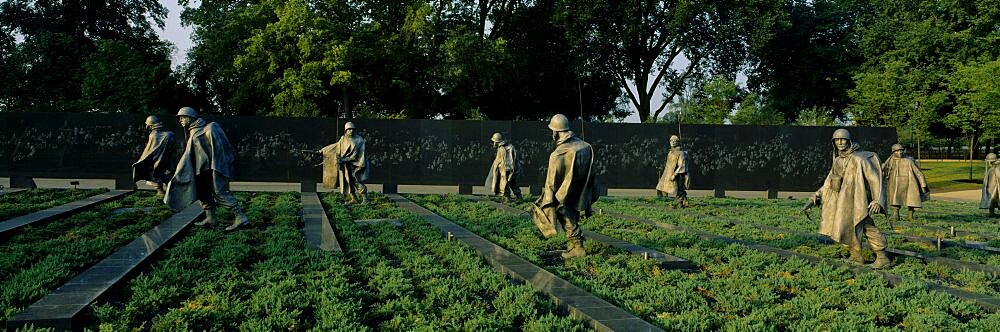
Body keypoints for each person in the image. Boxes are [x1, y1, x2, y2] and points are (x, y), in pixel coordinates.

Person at [810, 128, 891, 268]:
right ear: (833, 142)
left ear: (848, 140)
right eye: (837, 140)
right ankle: (856, 255)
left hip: (859, 201)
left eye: (843, 139)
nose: (840, 142)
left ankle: (882, 257)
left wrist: (877, 200)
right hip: (843, 202)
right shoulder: (837, 161)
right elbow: (829, 181)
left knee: (866, 226)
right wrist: (816, 195)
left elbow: (875, 179)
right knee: (847, 228)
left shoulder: (859, 159)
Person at [164, 107, 250, 231]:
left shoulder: (209, 128)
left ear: (191, 117)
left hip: (214, 168)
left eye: (182, 117)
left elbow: (221, 149)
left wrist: (219, 168)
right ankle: (211, 218)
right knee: (202, 192)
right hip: (201, 170)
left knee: (220, 193)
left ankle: (240, 217)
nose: (180, 120)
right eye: (179, 118)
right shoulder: (193, 132)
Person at [531, 114, 598, 259]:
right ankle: (573, 245)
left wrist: (546, 201)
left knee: (561, 210)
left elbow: (551, 183)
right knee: (572, 211)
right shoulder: (586, 147)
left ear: (555, 132)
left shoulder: (557, 154)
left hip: (565, 191)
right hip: (581, 188)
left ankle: (577, 247)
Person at [321, 122, 369, 205]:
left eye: (352, 129)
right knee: (348, 182)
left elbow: (356, 156)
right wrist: (322, 151)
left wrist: (344, 159)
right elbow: (335, 146)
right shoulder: (343, 139)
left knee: (357, 181)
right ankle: (353, 199)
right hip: (346, 166)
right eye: (349, 129)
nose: (351, 131)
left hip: (356, 165)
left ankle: (366, 199)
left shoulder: (359, 140)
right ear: (345, 130)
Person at [132, 115, 176, 198]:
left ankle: (160, 191)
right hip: (167, 160)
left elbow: (149, 151)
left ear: (150, 125)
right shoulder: (170, 134)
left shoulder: (153, 135)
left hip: (157, 160)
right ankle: (168, 190)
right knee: (164, 175)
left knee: (154, 174)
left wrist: (141, 160)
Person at [882, 144, 929, 221]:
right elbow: (885, 171)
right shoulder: (890, 161)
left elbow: (918, 172)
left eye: (901, 150)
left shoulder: (909, 161)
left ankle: (910, 216)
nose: (899, 152)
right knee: (895, 199)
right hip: (895, 183)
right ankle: (895, 215)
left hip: (910, 182)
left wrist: (923, 184)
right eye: (897, 151)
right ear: (893, 152)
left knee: (912, 200)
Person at [485, 132, 523, 201]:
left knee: (506, 184)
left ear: (497, 142)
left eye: (494, 142)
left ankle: (509, 197)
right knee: (510, 184)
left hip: (507, 170)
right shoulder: (505, 147)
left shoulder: (504, 149)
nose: (494, 144)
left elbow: (509, 161)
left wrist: (506, 171)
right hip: (505, 170)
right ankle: (511, 197)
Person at [655, 135, 690, 208]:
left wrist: (675, 174)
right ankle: (683, 202)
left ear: (678, 142)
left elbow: (681, 165)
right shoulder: (670, 153)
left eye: (675, 141)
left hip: (680, 174)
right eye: (671, 140)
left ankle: (681, 203)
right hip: (671, 173)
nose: (673, 142)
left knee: (680, 189)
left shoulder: (681, 153)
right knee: (675, 189)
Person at [980, 153, 1000, 218]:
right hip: (991, 186)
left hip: (995, 187)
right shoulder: (992, 168)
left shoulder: (996, 168)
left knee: (992, 199)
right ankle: (991, 213)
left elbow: (998, 177)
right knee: (991, 200)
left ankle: (991, 213)